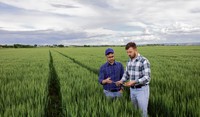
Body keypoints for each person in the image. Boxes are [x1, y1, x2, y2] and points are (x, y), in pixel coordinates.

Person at [116, 42, 151, 117]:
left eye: (130, 52)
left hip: (142, 90)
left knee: (143, 113)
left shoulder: (144, 61)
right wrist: (121, 81)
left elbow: (147, 77)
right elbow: (126, 74)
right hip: (132, 90)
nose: (129, 54)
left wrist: (134, 82)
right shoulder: (129, 61)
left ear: (135, 50)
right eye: (127, 52)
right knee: (134, 111)